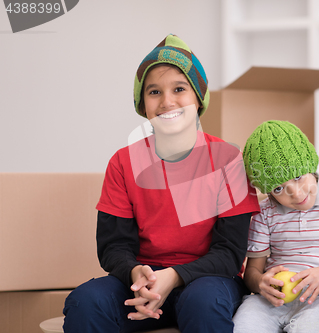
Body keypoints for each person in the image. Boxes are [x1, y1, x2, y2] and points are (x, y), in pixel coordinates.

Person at [63, 34, 260, 333]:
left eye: (179, 89)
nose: (167, 102)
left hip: (207, 280)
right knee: (86, 302)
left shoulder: (228, 160)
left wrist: (176, 275)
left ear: (198, 98)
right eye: (154, 91)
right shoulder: (123, 162)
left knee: (204, 304)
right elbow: (113, 246)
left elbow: (230, 253)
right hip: (142, 282)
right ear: (143, 104)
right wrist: (135, 273)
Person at [232, 120, 319, 333]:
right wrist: (260, 282)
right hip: (271, 301)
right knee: (242, 327)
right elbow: (252, 272)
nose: (295, 194)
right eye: (279, 188)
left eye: (298, 177)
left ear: (311, 165)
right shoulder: (265, 213)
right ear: (268, 192)